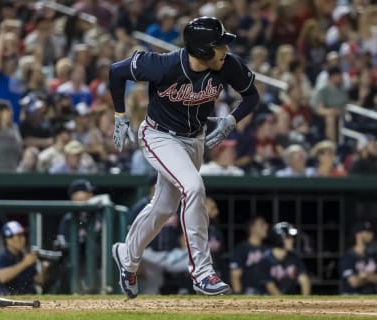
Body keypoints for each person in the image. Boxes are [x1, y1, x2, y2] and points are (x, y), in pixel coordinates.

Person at [109, 16, 259, 298]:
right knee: (193, 187)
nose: (225, 50)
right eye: (219, 45)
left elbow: (251, 96)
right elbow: (116, 71)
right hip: (159, 136)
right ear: (202, 50)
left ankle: (126, 256)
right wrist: (120, 115)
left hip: (195, 139)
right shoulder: (164, 64)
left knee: (163, 207)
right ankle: (202, 273)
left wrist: (232, 120)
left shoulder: (228, 65)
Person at [0, 221, 46, 295]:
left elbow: (39, 281)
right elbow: (2, 278)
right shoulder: (1, 255)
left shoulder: (25, 255)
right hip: (10, 298)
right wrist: (25, 263)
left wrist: (43, 268)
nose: (23, 239)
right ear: (8, 239)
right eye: (19, 236)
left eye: (23, 235)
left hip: (30, 296)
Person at [259, 222, 311, 295]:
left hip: (290, 300)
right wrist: (283, 303)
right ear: (279, 239)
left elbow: (304, 280)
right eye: (288, 238)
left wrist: (305, 301)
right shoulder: (265, 259)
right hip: (269, 302)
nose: (292, 240)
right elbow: (270, 286)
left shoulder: (294, 257)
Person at [230, 216, 268, 294]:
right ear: (252, 228)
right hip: (248, 292)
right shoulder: (241, 249)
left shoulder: (268, 249)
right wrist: (238, 296)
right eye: (262, 224)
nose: (266, 226)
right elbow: (235, 275)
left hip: (266, 292)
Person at [340, 221, 377, 295]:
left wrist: (364, 276)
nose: (371, 235)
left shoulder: (373, 256)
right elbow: (354, 282)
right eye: (368, 232)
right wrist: (371, 277)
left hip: (371, 296)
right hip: (352, 298)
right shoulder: (348, 256)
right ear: (358, 234)